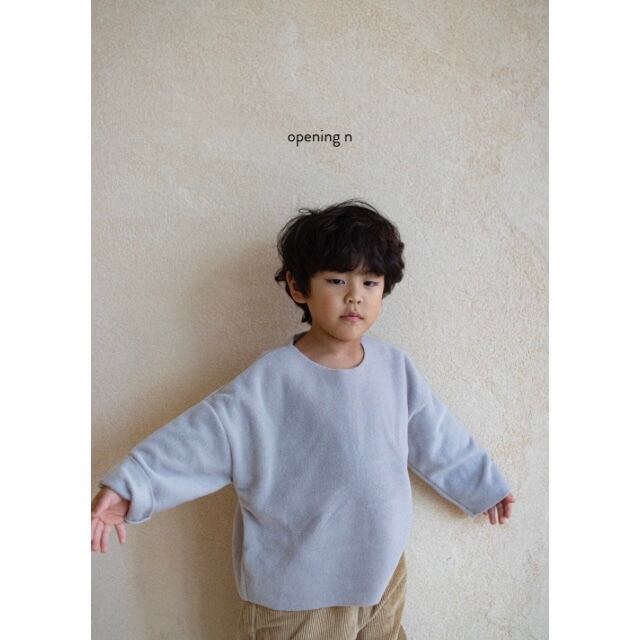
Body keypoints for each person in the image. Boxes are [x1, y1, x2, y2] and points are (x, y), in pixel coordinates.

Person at [91, 199, 516, 639]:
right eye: (337, 280)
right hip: (298, 595)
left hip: (381, 576)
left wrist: (480, 484)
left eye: (370, 282)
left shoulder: (394, 368)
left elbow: (437, 434)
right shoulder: (270, 380)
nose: (355, 295)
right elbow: (201, 438)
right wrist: (130, 486)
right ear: (298, 287)